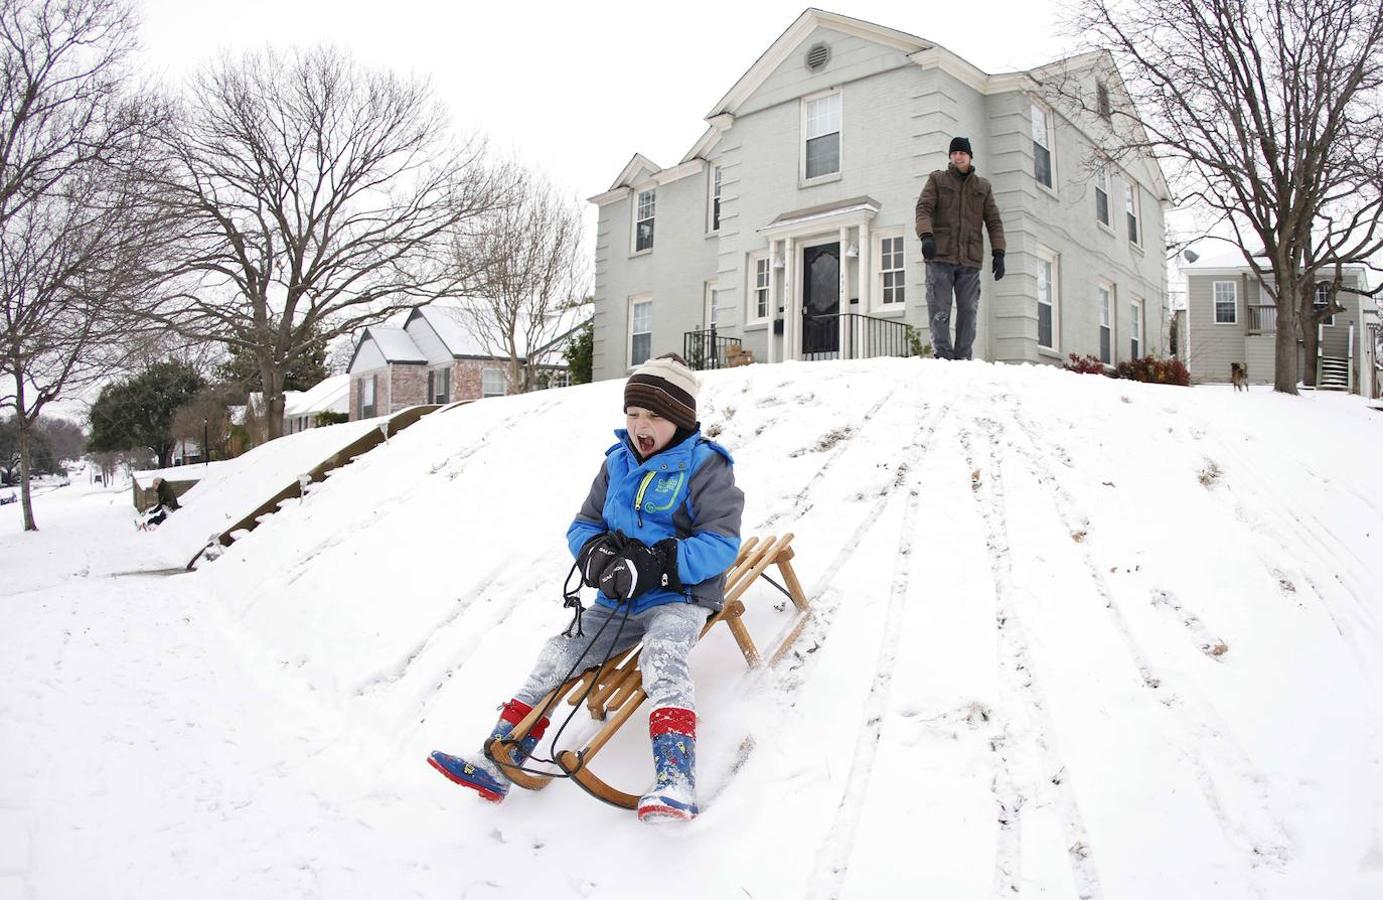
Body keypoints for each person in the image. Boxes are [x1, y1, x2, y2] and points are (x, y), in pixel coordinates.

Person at [428, 353, 744, 824]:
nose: (641, 424)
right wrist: (596, 554)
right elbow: (584, 523)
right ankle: (498, 760)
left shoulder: (704, 466)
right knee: (559, 653)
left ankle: (675, 780)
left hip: (680, 597)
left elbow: (721, 543)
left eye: (653, 415)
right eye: (633, 413)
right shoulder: (617, 463)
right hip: (617, 601)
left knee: (662, 656)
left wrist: (659, 565)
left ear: (679, 418)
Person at [914, 136, 1006, 360]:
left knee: (968, 310)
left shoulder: (982, 187)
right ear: (950, 156)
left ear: (970, 156)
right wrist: (926, 236)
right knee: (940, 309)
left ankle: (963, 357)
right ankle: (943, 355)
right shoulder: (937, 180)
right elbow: (923, 208)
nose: (958, 156)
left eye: (962, 153)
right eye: (954, 153)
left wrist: (999, 252)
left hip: (970, 259)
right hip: (940, 256)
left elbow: (993, 221)